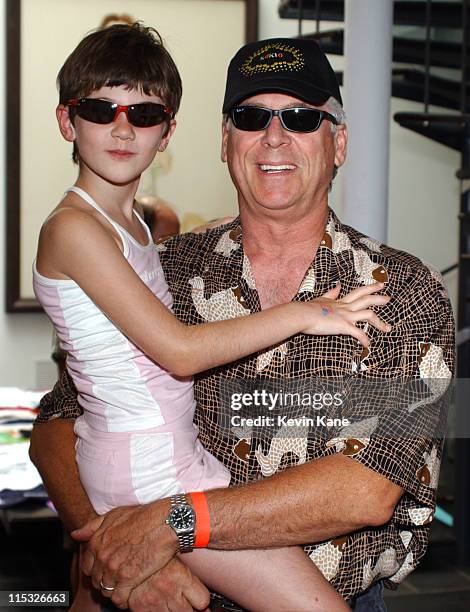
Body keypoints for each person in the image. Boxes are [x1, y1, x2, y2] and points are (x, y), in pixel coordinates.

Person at [30, 36, 454, 612]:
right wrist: (111, 554)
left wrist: (171, 525)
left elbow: (367, 487)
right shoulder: (165, 270)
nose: (275, 137)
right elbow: (60, 424)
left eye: (302, 118)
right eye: (252, 117)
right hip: (169, 593)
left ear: (339, 144)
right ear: (225, 142)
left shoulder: (400, 293)